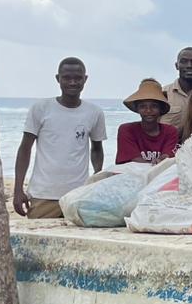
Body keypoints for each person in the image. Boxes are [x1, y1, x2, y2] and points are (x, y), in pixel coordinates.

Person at [12, 56, 105, 218]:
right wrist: (18, 189)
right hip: (43, 195)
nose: (72, 82)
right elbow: (25, 149)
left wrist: (96, 182)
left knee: (78, 242)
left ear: (85, 79)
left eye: (78, 78)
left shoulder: (94, 112)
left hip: (78, 195)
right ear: (58, 79)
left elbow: (96, 149)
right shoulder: (41, 108)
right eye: (67, 78)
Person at [116, 79, 179, 165]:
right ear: (137, 108)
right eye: (143, 106)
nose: (148, 110)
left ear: (160, 108)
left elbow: (168, 158)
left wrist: (162, 160)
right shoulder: (127, 130)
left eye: (154, 106)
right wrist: (157, 164)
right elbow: (132, 161)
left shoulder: (170, 131)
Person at [162, 47, 192, 132]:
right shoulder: (162, 93)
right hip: (169, 144)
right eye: (184, 61)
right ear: (176, 65)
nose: (189, 66)